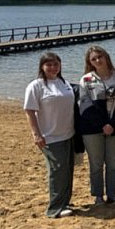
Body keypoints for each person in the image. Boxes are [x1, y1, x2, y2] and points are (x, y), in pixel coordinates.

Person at [24, 52, 76, 218]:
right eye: (49, 65)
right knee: (57, 170)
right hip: (50, 136)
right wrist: (36, 134)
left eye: (56, 64)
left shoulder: (64, 82)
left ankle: (64, 201)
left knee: (67, 170)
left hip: (68, 134)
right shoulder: (36, 85)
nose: (53, 68)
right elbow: (30, 111)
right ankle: (54, 209)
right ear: (42, 66)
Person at [78, 45, 115, 205]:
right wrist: (102, 125)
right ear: (90, 62)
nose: (98, 60)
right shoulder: (86, 80)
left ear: (106, 57)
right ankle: (98, 196)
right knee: (96, 163)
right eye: (94, 59)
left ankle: (112, 195)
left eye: (100, 57)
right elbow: (85, 106)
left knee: (113, 163)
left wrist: (113, 124)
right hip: (92, 129)